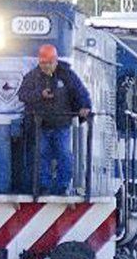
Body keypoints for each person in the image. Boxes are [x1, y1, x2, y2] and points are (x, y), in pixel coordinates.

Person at [17, 44, 91, 195]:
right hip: (40, 125)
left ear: (56, 61)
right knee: (40, 155)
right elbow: (22, 95)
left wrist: (85, 107)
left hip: (61, 124)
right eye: (43, 63)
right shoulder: (32, 77)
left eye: (49, 63)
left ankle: (62, 186)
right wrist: (40, 94)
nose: (46, 66)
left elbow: (80, 92)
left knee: (63, 154)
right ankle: (43, 186)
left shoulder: (67, 75)